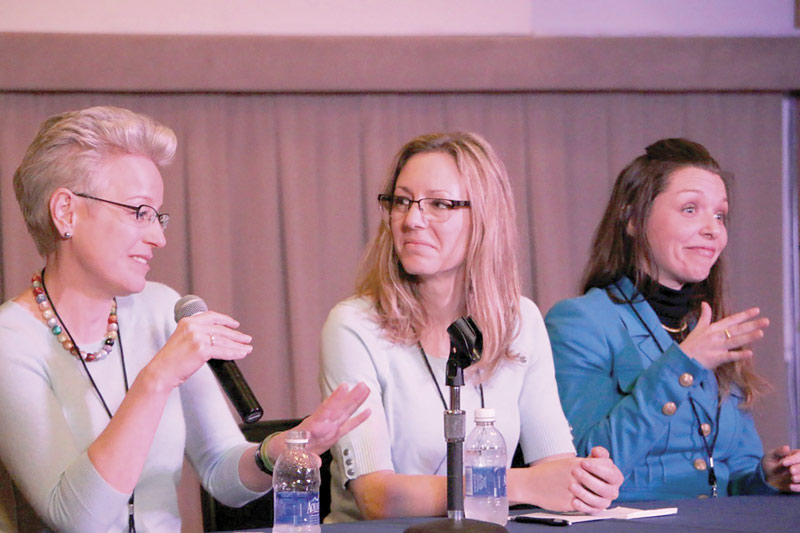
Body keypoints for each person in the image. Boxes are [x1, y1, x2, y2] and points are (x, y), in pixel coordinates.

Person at [0, 106, 370, 532]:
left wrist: (276, 452)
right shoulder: (13, 342)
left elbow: (220, 468)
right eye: (139, 212)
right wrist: (156, 378)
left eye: (158, 216)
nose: (158, 236)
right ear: (66, 211)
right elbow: (77, 519)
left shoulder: (161, 308)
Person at [318, 131, 623, 523]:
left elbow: (555, 464)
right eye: (402, 201)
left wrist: (584, 481)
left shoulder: (520, 321)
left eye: (439, 204)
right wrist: (520, 484)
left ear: (485, 217)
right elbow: (377, 498)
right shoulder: (354, 326)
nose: (412, 220)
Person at [545, 138, 800, 500]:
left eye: (720, 215)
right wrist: (684, 364)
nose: (713, 229)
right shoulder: (579, 322)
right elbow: (586, 465)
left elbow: (734, 469)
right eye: (691, 209)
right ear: (633, 219)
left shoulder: (709, 325)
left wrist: (767, 477)